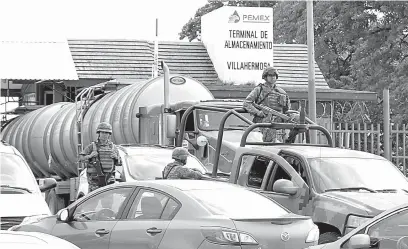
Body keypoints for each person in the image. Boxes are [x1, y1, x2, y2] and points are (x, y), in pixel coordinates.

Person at [243, 66, 292, 142]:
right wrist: (258, 112)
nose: (273, 78)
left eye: (274, 76)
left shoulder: (281, 92)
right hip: (265, 120)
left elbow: (287, 109)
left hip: (279, 121)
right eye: (270, 76)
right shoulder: (259, 89)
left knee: (296, 120)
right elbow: (247, 103)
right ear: (265, 77)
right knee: (269, 141)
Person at [79, 122, 122, 193]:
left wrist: (116, 158)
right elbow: (81, 159)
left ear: (109, 134)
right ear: (99, 133)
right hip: (95, 181)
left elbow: (119, 163)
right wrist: (90, 156)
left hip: (109, 180)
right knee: (93, 201)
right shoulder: (92, 146)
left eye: (107, 133)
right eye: (103, 132)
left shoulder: (113, 148)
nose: (105, 135)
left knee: (108, 202)